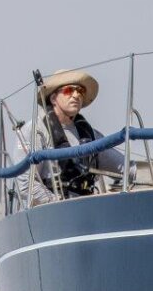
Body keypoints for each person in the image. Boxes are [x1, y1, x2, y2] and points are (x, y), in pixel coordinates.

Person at [14, 69, 126, 205]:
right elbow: (26, 184)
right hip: (50, 210)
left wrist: (147, 173)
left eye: (80, 91)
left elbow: (124, 167)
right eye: (68, 90)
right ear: (53, 98)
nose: (76, 95)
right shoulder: (34, 130)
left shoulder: (91, 134)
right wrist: (59, 203)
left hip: (87, 207)